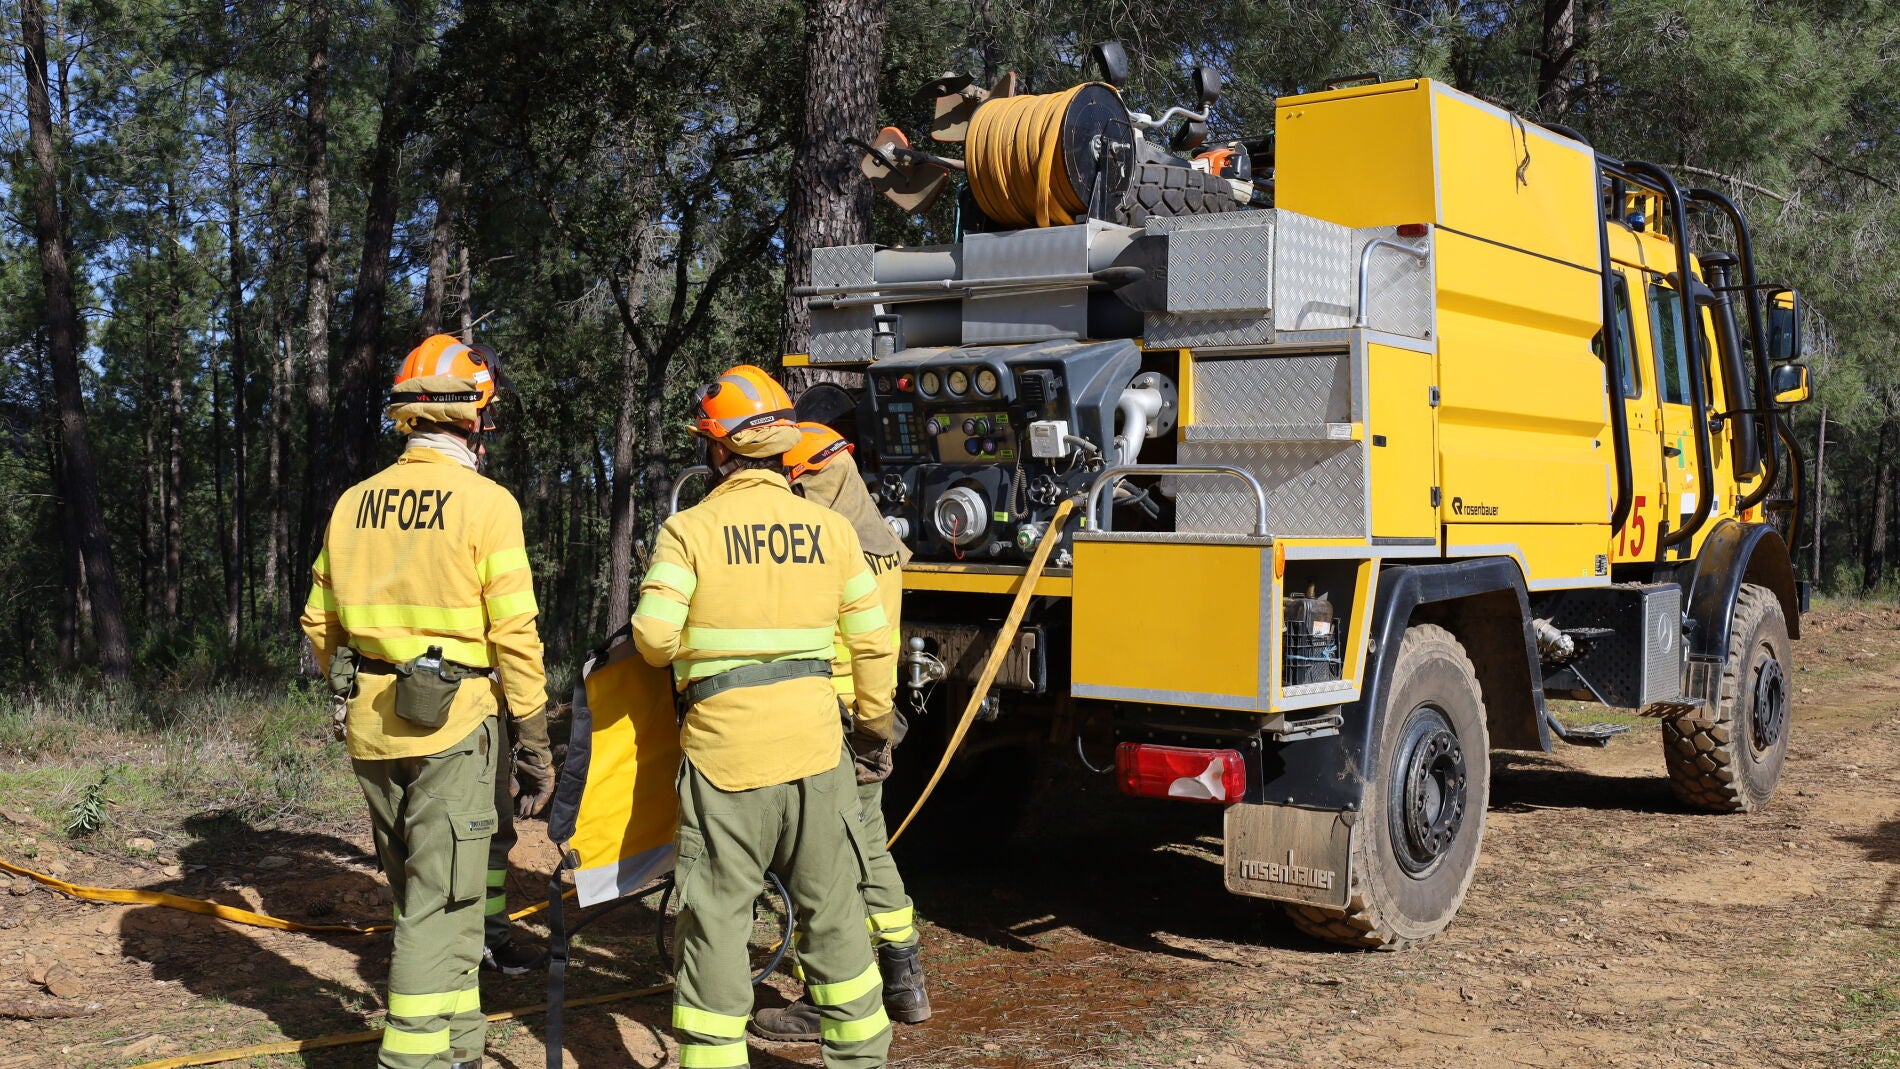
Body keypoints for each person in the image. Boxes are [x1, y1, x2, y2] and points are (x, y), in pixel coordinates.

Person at [300, 334, 555, 1069]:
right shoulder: (487, 504)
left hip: (371, 726)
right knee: (438, 906)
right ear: (476, 416)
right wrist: (535, 741)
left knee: (438, 893)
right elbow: (515, 634)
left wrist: (360, 681)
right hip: (455, 729)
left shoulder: (354, 503)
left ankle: (459, 1045)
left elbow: (317, 623)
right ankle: (411, 1058)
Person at [633, 365, 897, 1069]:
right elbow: (874, 643)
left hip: (726, 757)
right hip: (818, 750)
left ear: (718, 447)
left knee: (719, 918)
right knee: (834, 913)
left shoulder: (688, 530)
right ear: (783, 443)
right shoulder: (831, 531)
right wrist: (873, 731)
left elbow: (653, 639)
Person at [751, 423, 928, 1043]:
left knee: (816, 861)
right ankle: (904, 978)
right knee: (869, 844)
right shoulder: (879, 540)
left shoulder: (826, 542)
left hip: (825, 719)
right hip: (870, 715)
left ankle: (822, 1000)